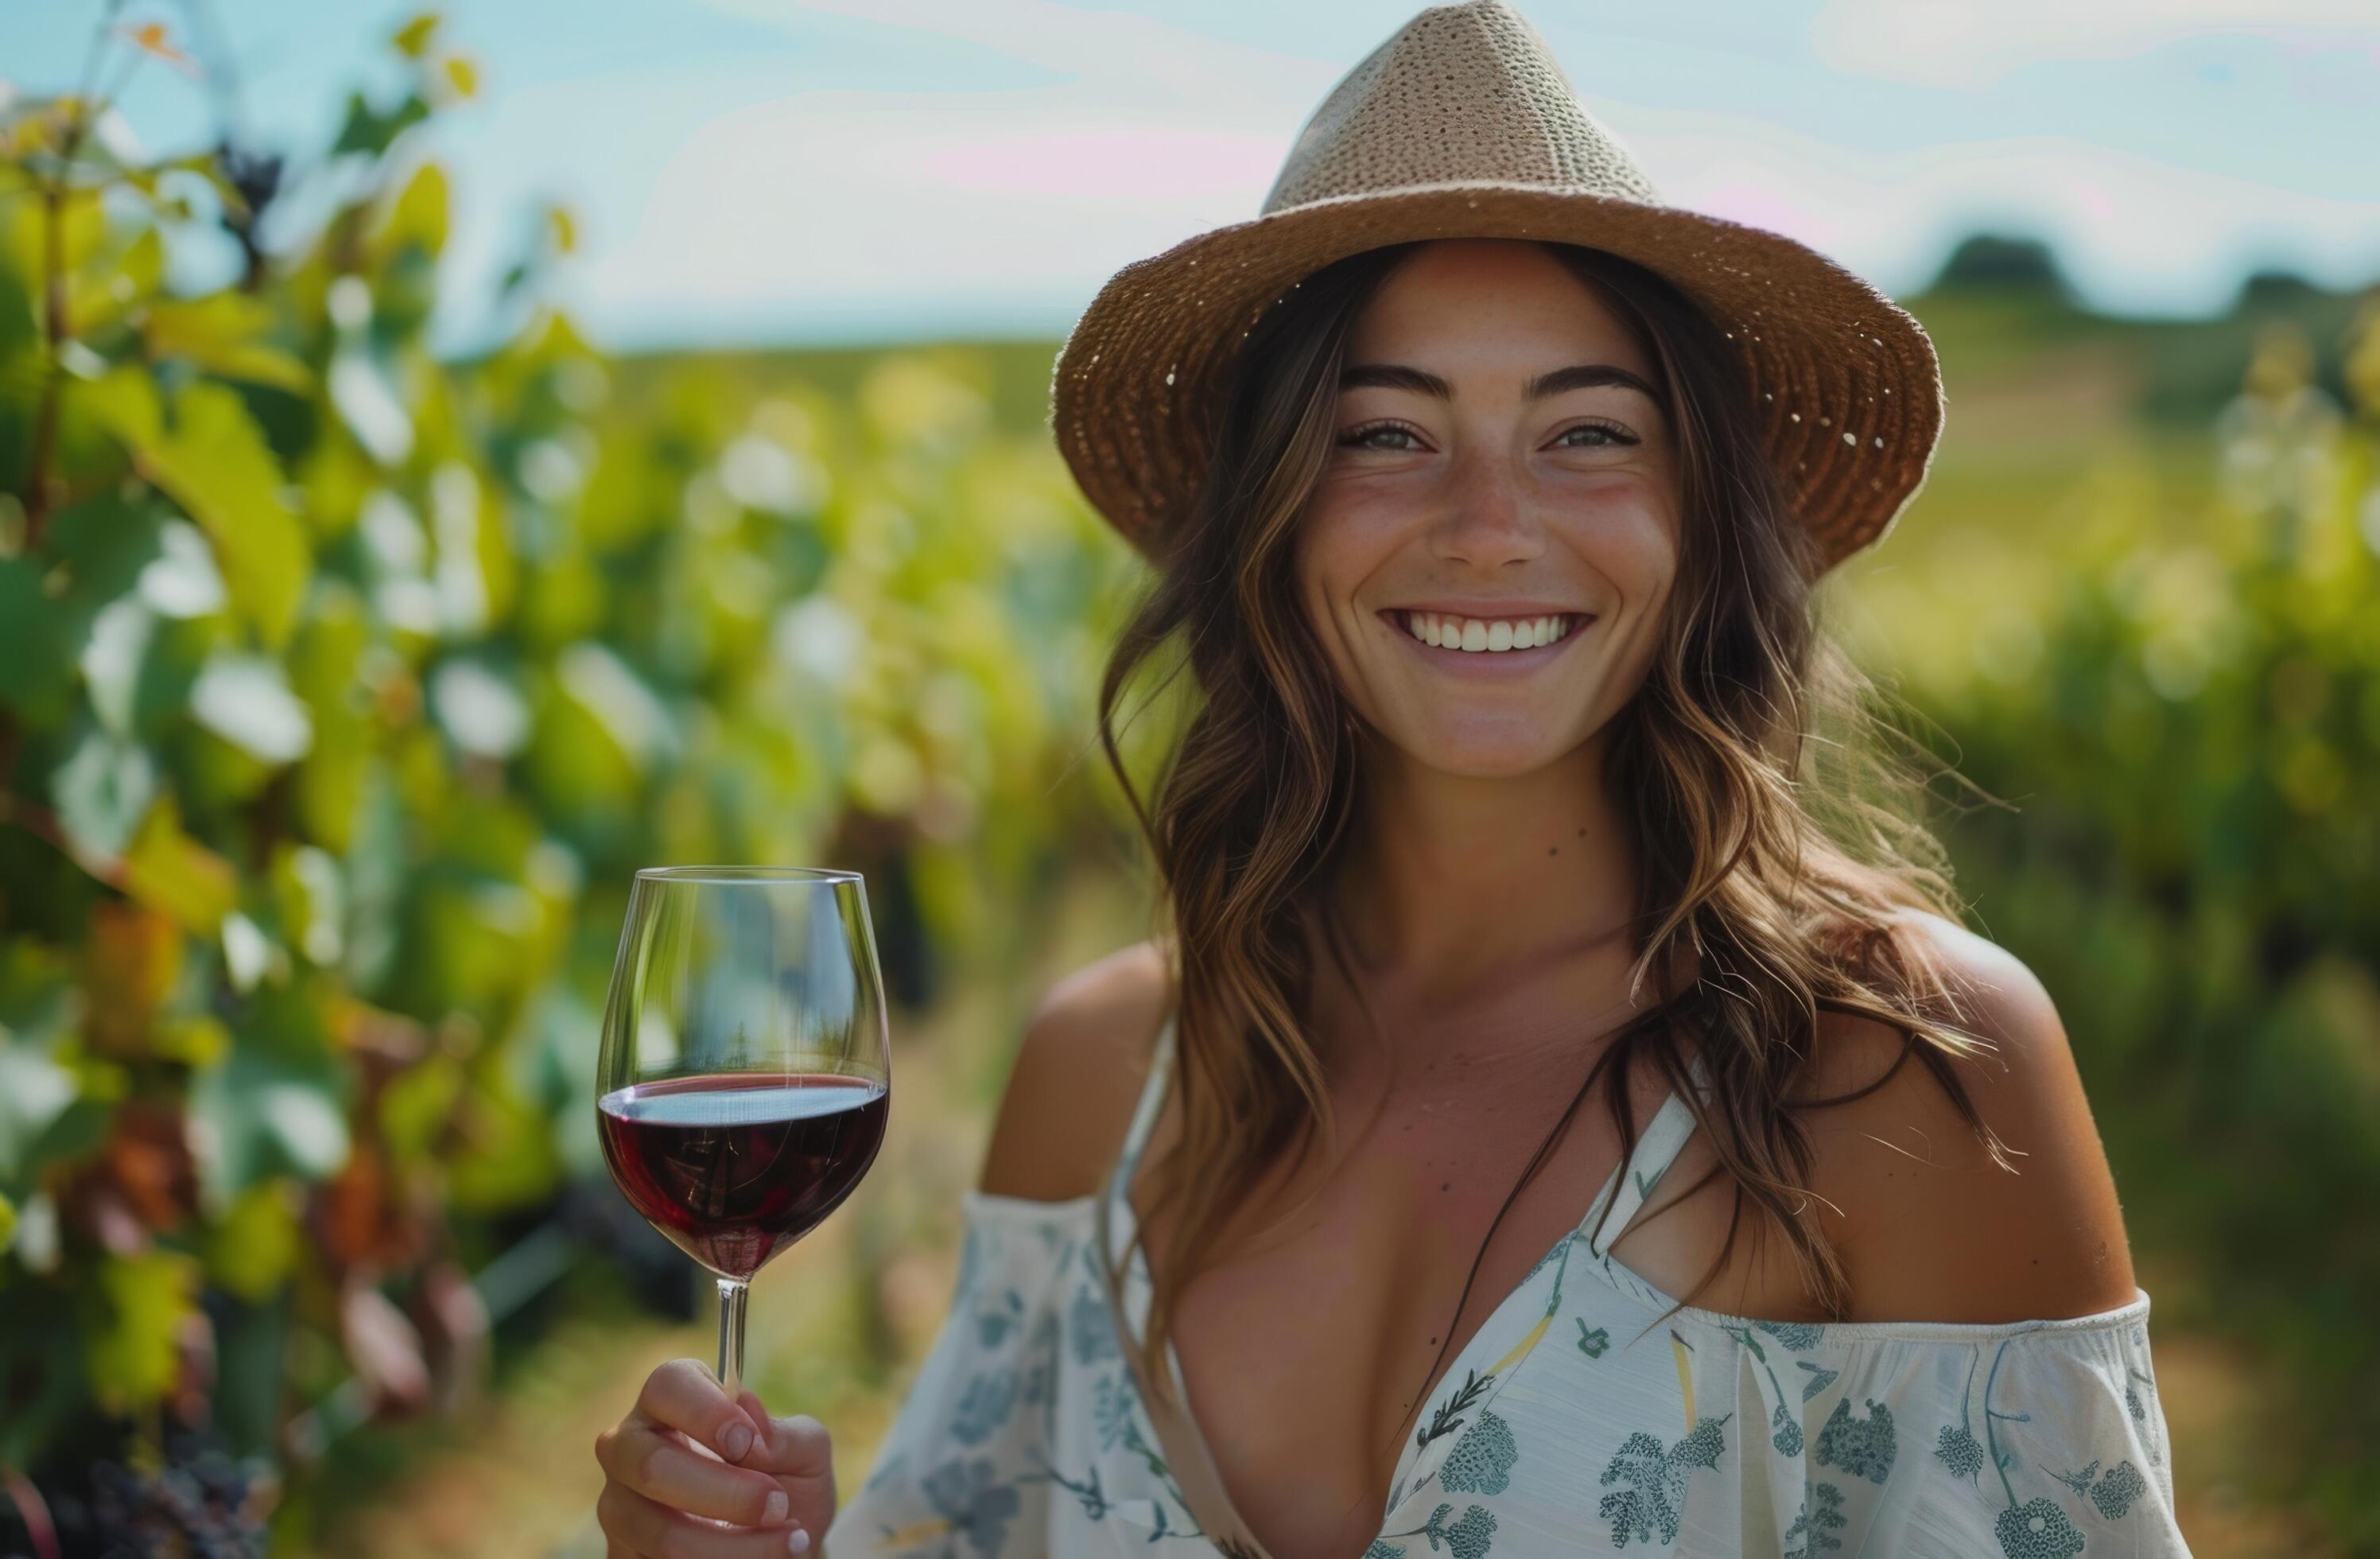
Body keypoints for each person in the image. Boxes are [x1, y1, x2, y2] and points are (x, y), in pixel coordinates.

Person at [591, 3, 2192, 1554]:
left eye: (1588, 433)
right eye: (1383, 432)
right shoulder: (1100, 1076)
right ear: (1269, 521)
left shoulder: (1903, 1075)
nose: (1490, 522)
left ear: (1702, 521)